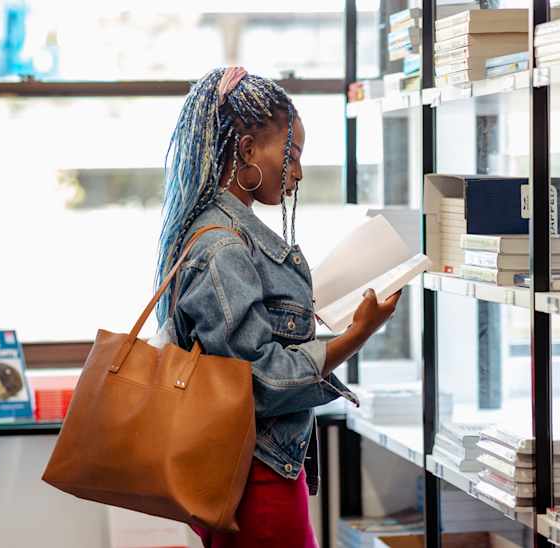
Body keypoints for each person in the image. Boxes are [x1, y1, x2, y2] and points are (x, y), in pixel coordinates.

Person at [155, 67, 401, 548]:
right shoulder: (224, 246)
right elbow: (257, 380)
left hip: (256, 472)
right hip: (257, 483)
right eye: (291, 156)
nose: (299, 173)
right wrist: (358, 334)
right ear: (247, 151)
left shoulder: (226, 233)